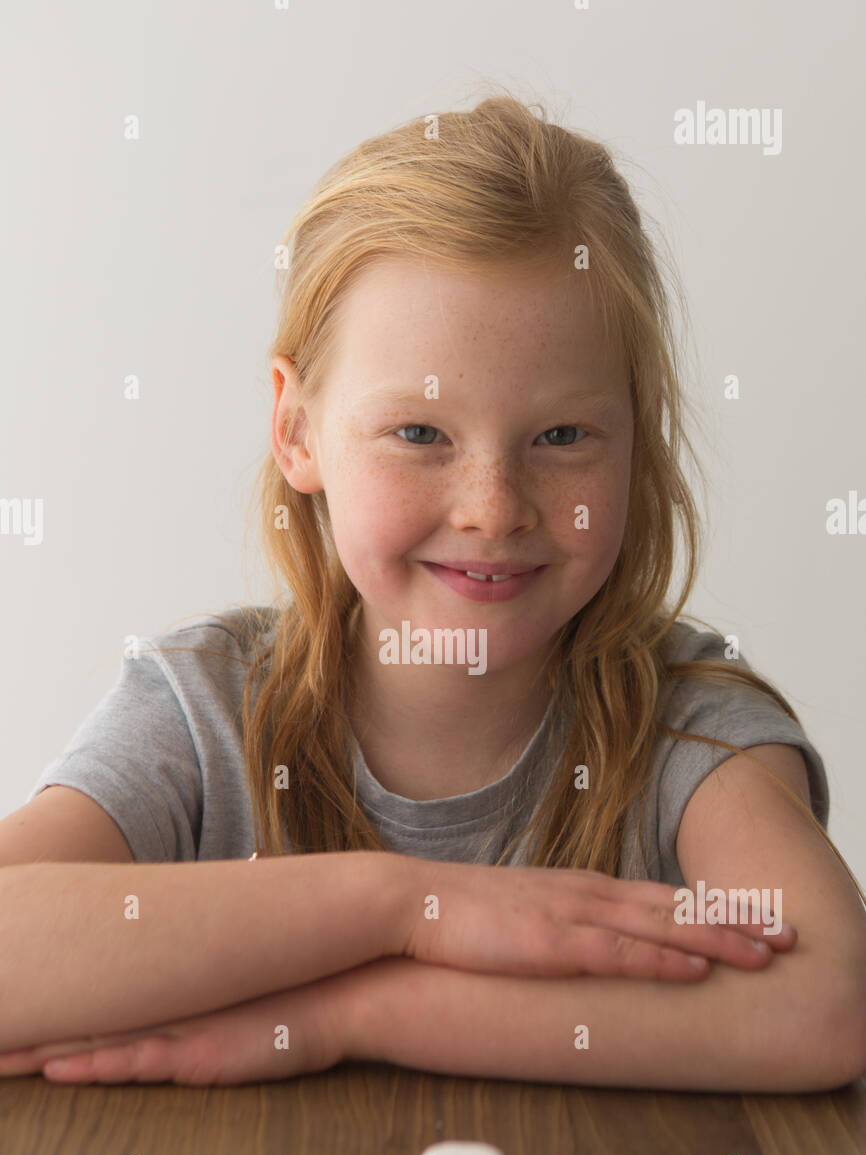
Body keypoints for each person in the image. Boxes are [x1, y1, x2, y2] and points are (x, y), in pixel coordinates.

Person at [1, 91, 863, 1092]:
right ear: (296, 430)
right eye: (419, 434)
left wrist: (351, 1007)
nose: (493, 508)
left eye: (560, 437)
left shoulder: (692, 728)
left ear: (637, 438)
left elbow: (827, 1001)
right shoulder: (197, 710)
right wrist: (401, 906)